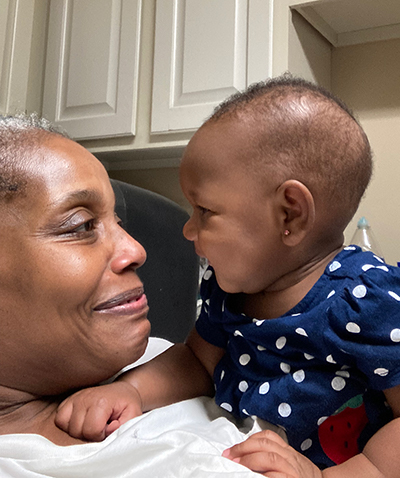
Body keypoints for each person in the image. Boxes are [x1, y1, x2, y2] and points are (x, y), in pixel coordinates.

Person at [54, 75, 400, 477]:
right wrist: (129, 390)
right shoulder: (227, 291)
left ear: (290, 214)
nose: (187, 229)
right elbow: (196, 363)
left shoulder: (368, 301)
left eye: (205, 211)